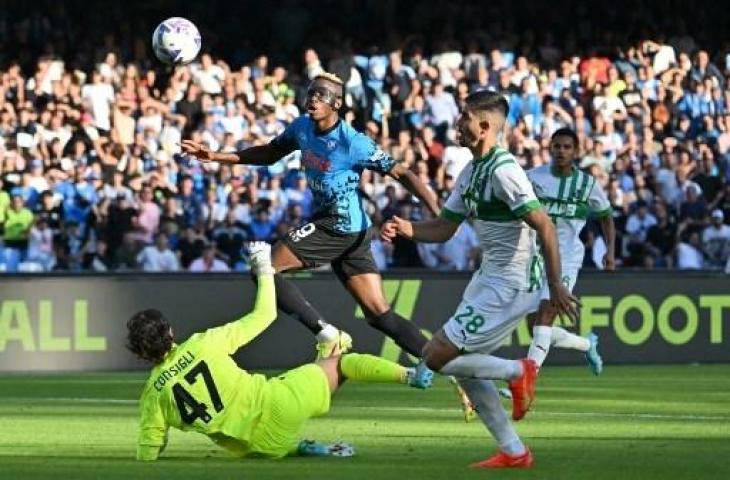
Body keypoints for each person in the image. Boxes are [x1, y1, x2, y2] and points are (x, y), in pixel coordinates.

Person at [181, 73, 440, 373]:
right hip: (352, 231)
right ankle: (451, 369)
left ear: (338, 104)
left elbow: (403, 173)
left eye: (322, 95)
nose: (314, 99)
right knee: (379, 314)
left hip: (339, 226)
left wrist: (438, 210)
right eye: (311, 93)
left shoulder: (352, 142)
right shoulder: (301, 128)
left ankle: (326, 335)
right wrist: (215, 156)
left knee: (264, 266)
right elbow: (270, 153)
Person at [381, 91, 579, 469]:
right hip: (488, 278)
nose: (456, 124)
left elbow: (546, 226)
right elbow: (443, 228)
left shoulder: (504, 171)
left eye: (463, 118)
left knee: (434, 356)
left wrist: (555, 286)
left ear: (484, 125)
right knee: (465, 362)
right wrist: (408, 228)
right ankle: (514, 451)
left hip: (511, 283)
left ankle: (519, 371)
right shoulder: (472, 171)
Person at [128, 242, 432, 461]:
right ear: (170, 332)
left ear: (140, 353)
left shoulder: (153, 394)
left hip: (257, 449)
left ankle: (301, 447)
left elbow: (149, 450)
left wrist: (149, 452)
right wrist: (263, 269)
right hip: (279, 405)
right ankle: (411, 376)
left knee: (277, 427)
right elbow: (264, 316)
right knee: (342, 362)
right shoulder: (203, 344)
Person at [521, 128, 615, 374]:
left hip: (567, 258)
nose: (561, 151)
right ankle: (586, 344)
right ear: (550, 148)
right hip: (535, 258)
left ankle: (525, 379)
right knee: (537, 327)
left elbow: (606, 216)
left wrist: (610, 251)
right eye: (557, 146)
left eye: (566, 147)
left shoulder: (587, 184)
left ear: (575, 151)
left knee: (544, 317)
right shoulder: (531, 178)